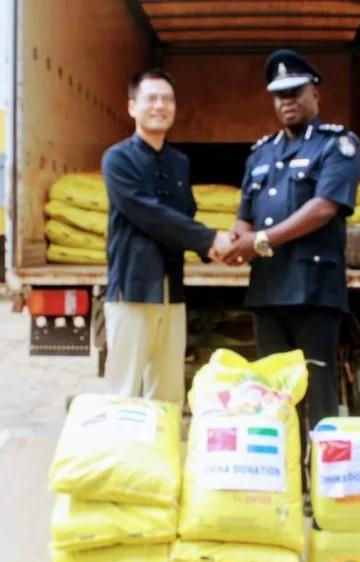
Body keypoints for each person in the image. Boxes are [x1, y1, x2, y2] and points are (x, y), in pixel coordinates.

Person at [224, 50, 360, 479]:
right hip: (267, 290)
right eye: (279, 94)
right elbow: (244, 213)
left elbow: (323, 207)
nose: (287, 100)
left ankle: (325, 486)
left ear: (315, 94)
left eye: (295, 92)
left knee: (319, 392)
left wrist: (260, 240)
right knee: (274, 394)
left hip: (313, 291)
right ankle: (285, 480)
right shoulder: (260, 155)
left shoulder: (337, 145)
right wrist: (235, 241)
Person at [101, 68, 238, 408]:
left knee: (168, 393)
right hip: (132, 290)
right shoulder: (117, 159)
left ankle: (162, 459)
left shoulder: (179, 163)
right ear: (132, 107)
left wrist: (215, 250)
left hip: (172, 293)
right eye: (152, 99)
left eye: (168, 99)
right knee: (124, 392)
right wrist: (210, 240)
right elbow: (149, 214)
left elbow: (183, 217)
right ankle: (121, 459)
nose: (160, 105)